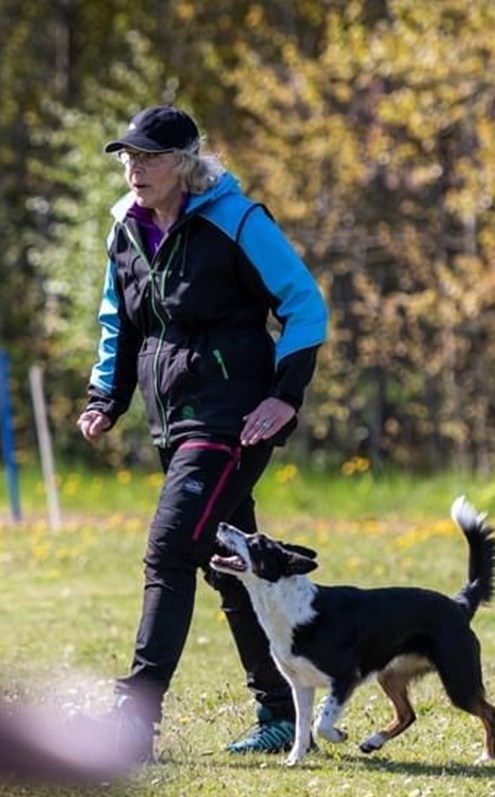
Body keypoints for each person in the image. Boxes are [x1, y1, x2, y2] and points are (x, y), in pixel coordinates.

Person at [77, 105, 328, 761]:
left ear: (184, 163)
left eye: (149, 157)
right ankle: (281, 713)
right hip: (173, 421)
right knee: (226, 564)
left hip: (233, 417)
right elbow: (120, 322)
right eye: (128, 157)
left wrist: (284, 398)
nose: (134, 169)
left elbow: (305, 304)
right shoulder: (127, 230)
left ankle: (134, 719)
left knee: (170, 547)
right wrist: (107, 395)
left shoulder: (237, 221)